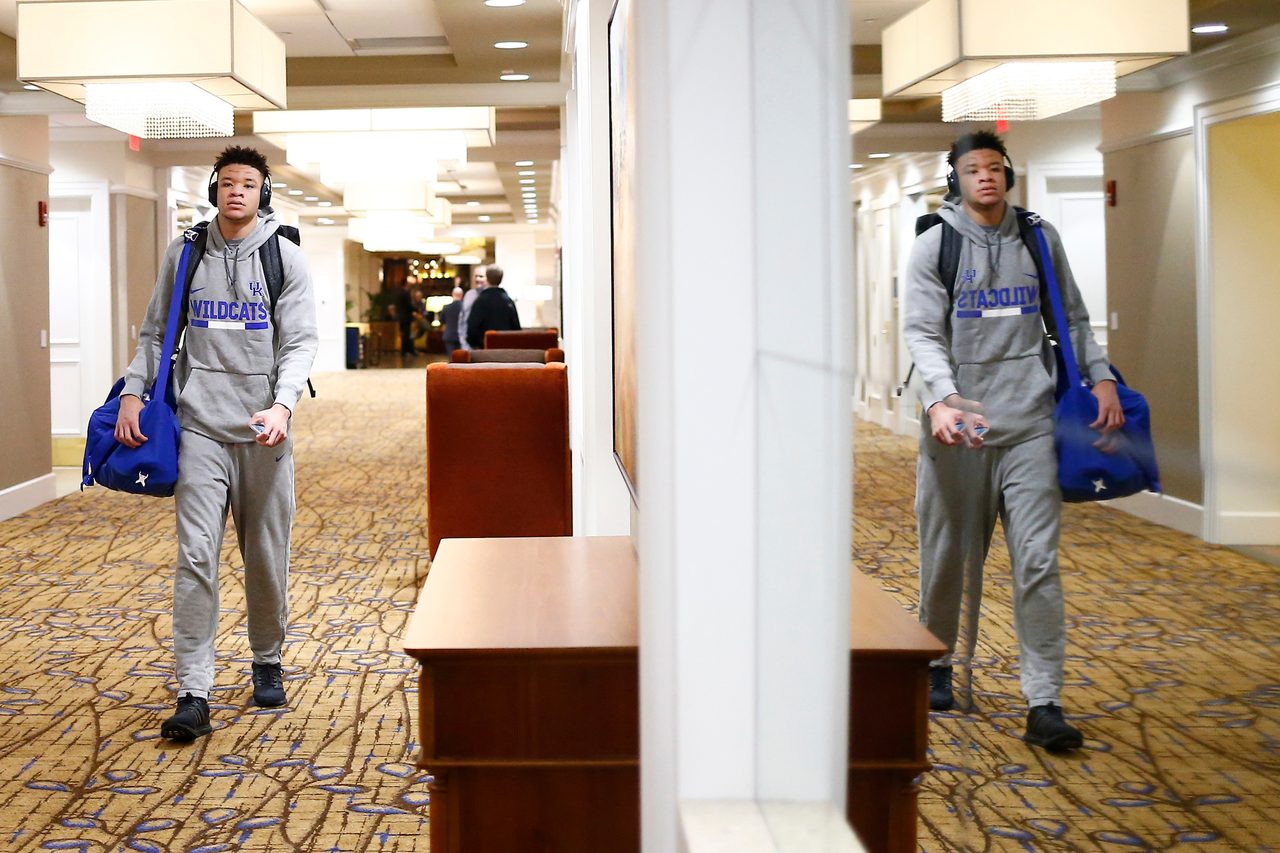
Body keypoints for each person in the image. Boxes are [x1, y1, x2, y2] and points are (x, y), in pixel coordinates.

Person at [903, 131, 1123, 753]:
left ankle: (1043, 699)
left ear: (1008, 176)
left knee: (1037, 562)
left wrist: (1101, 377)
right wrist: (941, 399)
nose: (986, 176)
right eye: (973, 169)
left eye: (995, 167)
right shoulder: (935, 244)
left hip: (1030, 426)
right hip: (959, 430)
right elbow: (921, 332)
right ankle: (937, 661)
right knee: (947, 556)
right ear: (957, 180)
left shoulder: (1038, 238)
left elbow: (1071, 318)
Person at [115, 145, 318, 742]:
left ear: (263, 193)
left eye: (248, 184)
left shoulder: (285, 256)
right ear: (214, 189)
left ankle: (266, 659)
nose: (237, 192)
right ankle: (193, 689)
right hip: (199, 426)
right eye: (228, 183)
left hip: (262, 430)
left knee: (265, 555)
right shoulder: (187, 251)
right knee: (197, 556)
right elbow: (157, 331)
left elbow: (300, 341)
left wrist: (283, 405)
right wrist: (133, 392)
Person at [465, 264, 521, 349]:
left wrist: (477, 344)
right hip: (506, 348)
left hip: (485, 348)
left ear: (487, 279)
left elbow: (472, 329)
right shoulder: (508, 301)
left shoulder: (480, 301)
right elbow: (516, 328)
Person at [456, 266, 487, 351]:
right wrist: (463, 341)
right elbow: (462, 320)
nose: (477, 279)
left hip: (485, 344)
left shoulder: (491, 296)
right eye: (476, 276)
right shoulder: (469, 295)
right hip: (468, 345)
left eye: (481, 276)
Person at [440, 286, 465, 355]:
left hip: (449, 335)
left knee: (451, 357)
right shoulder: (464, 308)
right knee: (461, 357)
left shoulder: (446, 307)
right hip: (461, 335)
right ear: (462, 295)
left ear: (452, 295)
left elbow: (442, 320)